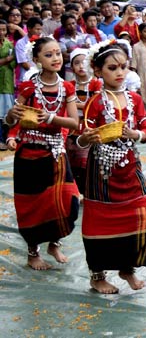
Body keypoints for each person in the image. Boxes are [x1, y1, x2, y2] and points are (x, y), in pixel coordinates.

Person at [77, 41, 146, 294]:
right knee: (100, 219)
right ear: (98, 71)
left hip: (131, 166)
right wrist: (87, 138)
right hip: (102, 171)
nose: (119, 72)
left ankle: (127, 267)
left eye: (123, 67)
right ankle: (97, 276)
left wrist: (136, 134)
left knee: (140, 213)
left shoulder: (135, 99)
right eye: (112, 68)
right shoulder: (95, 103)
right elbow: (81, 136)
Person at [4, 37, 80, 270]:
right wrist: (11, 116)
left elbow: (74, 123)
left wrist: (50, 118)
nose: (55, 58)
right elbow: (11, 120)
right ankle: (33, 251)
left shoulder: (67, 87)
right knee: (32, 205)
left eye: (58, 53)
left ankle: (54, 242)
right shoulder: (28, 88)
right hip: (29, 153)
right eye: (48, 55)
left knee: (69, 202)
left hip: (56, 153)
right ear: (36, 60)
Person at [66, 48, 102, 195]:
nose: (81, 66)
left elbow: (95, 104)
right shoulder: (69, 85)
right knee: (72, 159)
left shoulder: (95, 84)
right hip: (72, 127)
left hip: (88, 126)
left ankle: (89, 190)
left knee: (86, 161)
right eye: (76, 63)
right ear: (72, 67)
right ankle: (77, 190)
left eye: (83, 62)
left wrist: (73, 104)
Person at [0, 20, 15, 150]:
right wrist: (6, 60)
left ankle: (5, 138)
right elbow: (9, 60)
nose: (1, 33)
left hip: (7, 81)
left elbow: (14, 63)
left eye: (4, 30)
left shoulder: (9, 44)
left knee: (6, 113)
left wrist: (9, 61)